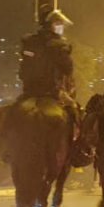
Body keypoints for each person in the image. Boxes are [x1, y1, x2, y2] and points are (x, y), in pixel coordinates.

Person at [17, 9, 80, 142]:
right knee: (74, 111)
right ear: (51, 25)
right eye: (58, 24)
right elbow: (68, 69)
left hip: (30, 92)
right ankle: (77, 151)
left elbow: (23, 70)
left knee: (11, 114)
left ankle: (5, 149)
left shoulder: (30, 42)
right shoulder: (59, 45)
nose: (61, 28)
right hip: (53, 92)